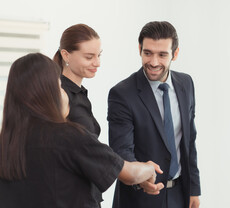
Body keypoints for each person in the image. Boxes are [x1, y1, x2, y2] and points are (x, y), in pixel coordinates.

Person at [0, 53, 164, 208]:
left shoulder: (6, 142)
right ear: (49, 94)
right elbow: (129, 174)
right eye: (59, 86)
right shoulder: (69, 136)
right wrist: (149, 168)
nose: (64, 92)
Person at [108, 21, 201, 208]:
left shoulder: (186, 83)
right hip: (139, 198)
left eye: (162, 55)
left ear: (175, 54)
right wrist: (140, 178)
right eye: (148, 53)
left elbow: (189, 141)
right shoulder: (122, 94)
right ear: (139, 49)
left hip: (179, 194)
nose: (153, 62)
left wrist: (193, 190)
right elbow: (122, 150)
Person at [53, 23, 102, 137]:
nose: (97, 63)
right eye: (89, 57)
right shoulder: (61, 94)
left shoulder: (80, 93)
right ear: (66, 55)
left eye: (99, 55)